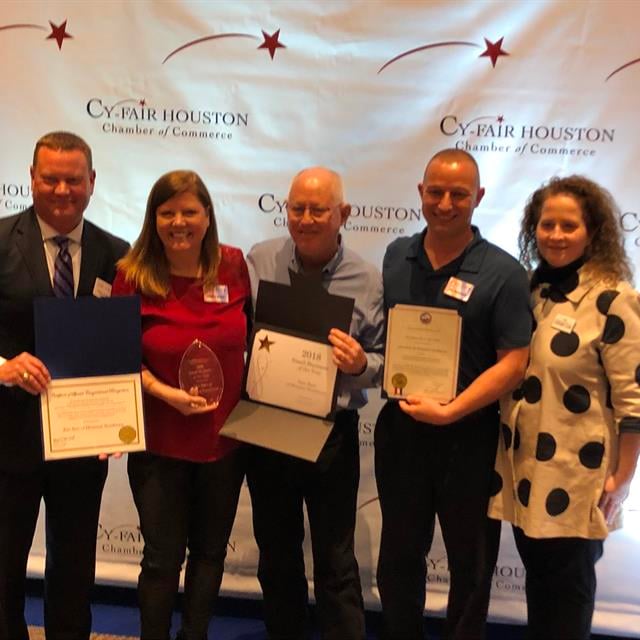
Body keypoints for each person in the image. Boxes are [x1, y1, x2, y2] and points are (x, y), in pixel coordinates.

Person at [375, 148, 532, 640]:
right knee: (399, 555)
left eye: (458, 194)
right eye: (435, 192)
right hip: (401, 430)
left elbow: (515, 361)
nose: (445, 203)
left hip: (471, 435)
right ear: (420, 193)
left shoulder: (505, 272)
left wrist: (452, 411)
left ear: (479, 197)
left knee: (472, 561)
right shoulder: (395, 254)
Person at [489, 175, 640, 639]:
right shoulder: (533, 290)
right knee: (541, 586)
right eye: (546, 224)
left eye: (568, 226)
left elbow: (633, 399)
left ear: (593, 232)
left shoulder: (616, 299)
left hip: (580, 475)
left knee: (569, 592)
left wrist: (623, 474)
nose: (555, 235)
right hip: (526, 470)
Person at [246, 166, 384, 640]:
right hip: (267, 427)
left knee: (335, 558)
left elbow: (389, 361)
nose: (305, 218)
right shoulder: (258, 261)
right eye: (296, 208)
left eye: (318, 209)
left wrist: (361, 362)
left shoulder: (368, 279)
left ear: (342, 213)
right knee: (277, 553)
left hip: (331, 434)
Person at [0, 131, 129, 640]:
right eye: (49, 178)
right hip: (7, 438)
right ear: (30, 179)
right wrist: (4, 366)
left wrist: (122, 418)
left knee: (74, 568)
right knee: (4, 568)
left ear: (91, 182)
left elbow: (123, 346)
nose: (60, 189)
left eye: (72, 179)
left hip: (83, 443)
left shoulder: (117, 254)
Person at [111, 170, 250, 640]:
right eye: (167, 212)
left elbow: (255, 340)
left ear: (208, 216)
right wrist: (162, 391)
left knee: (211, 555)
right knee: (161, 559)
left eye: (189, 211)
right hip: (159, 444)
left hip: (225, 444)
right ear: (153, 219)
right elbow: (117, 357)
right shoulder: (131, 274)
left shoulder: (232, 266)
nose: (179, 221)